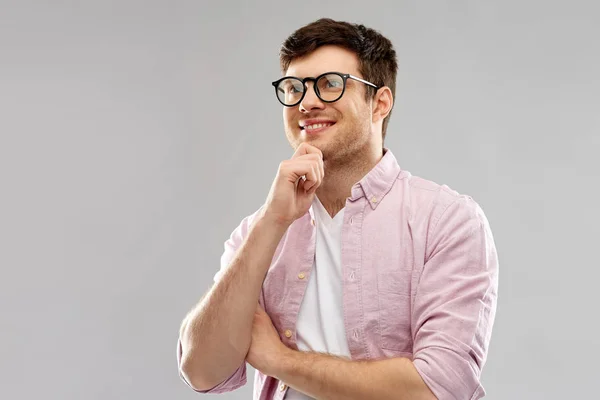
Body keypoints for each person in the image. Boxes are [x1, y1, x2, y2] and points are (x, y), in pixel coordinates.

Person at [177, 18, 499, 400]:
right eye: (294, 87)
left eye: (330, 84)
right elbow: (201, 371)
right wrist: (272, 221)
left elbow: (437, 388)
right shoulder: (259, 231)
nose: (306, 102)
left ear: (380, 102)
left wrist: (278, 360)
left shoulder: (446, 220)